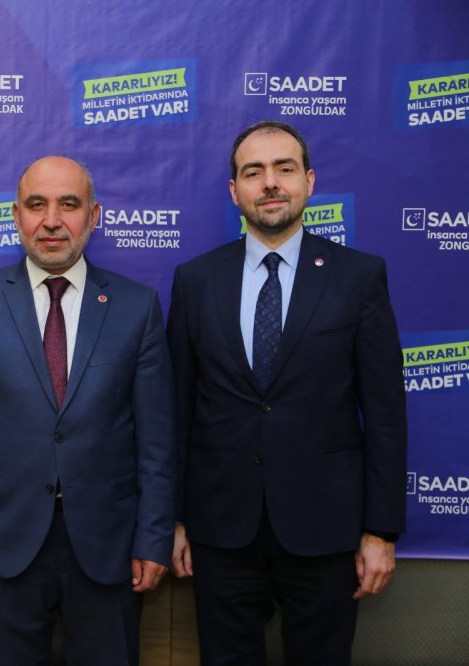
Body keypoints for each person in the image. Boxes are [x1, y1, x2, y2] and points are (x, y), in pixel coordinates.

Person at [167, 120, 407, 665]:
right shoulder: (195, 280)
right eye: (254, 172)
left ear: (309, 182)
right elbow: (176, 410)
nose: (270, 182)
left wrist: (380, 531)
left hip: (325, 527)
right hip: (220, 528)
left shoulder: (358, 277)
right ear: (235, 191)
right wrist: (174, 520)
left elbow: (386, 414)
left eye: (284, 168)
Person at [0, 155, 176, 664]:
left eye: (68, 204)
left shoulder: (137, 307)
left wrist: (153, 540)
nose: (51, 221)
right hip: (2, 542)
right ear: (16, 214)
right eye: (36, 205)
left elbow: (157, 442)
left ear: (94, 215)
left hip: (108, 545)